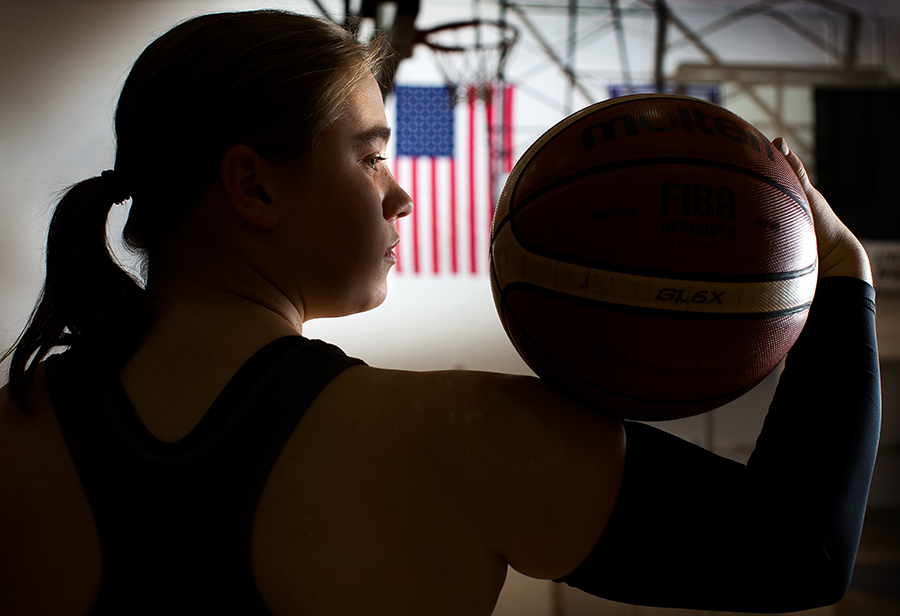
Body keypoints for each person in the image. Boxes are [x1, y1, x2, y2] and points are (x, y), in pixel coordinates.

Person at [0, 9, 880, 616]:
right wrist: (842, 272)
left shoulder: (14, 433)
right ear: (252, 183)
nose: (402, 197)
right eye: (371, 157)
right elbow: (798, 550)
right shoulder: (460, 436)